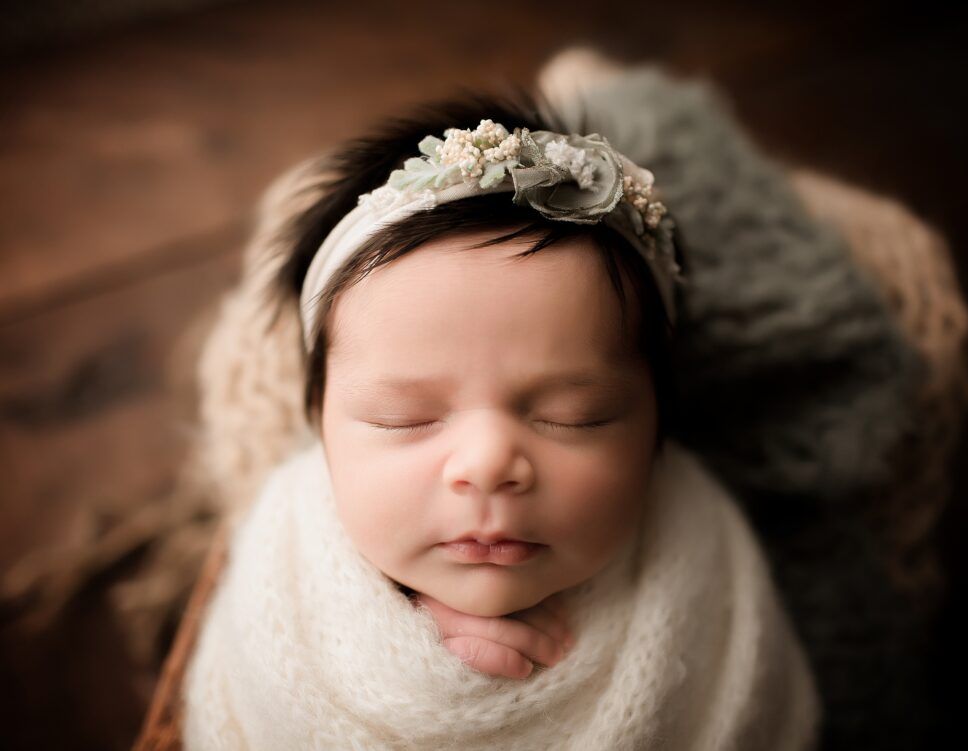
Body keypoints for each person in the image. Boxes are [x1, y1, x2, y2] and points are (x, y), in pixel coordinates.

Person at [181, 56, 838, 750]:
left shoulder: (700, 558)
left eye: (573, 415)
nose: (489, 463)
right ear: (321, 428)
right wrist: (390, 622)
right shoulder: (292, 550)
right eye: (404, 417)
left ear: (656, 429)